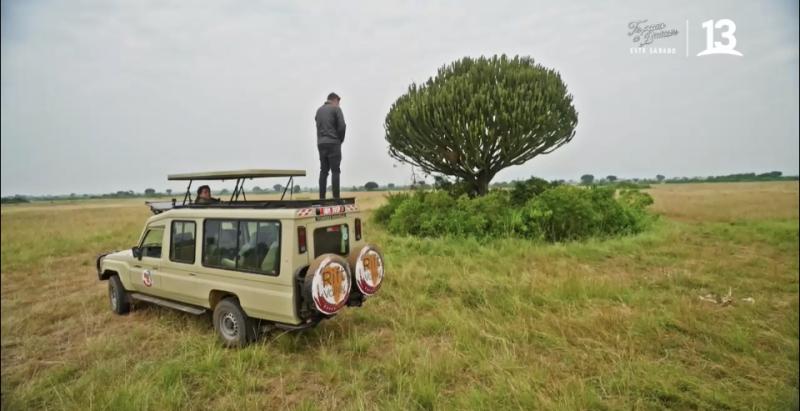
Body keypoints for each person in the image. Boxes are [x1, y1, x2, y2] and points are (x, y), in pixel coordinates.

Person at [315, 92, 346, 199]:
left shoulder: (318, 111)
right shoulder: (336, 109)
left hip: (321, 143)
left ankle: (321, 198)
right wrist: (340, 140)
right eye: (338, 102)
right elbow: (342, 126)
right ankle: (336, 198)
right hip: (333, 143)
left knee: (323, 171)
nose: (339, 104)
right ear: (334, 100)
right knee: (335, 171)